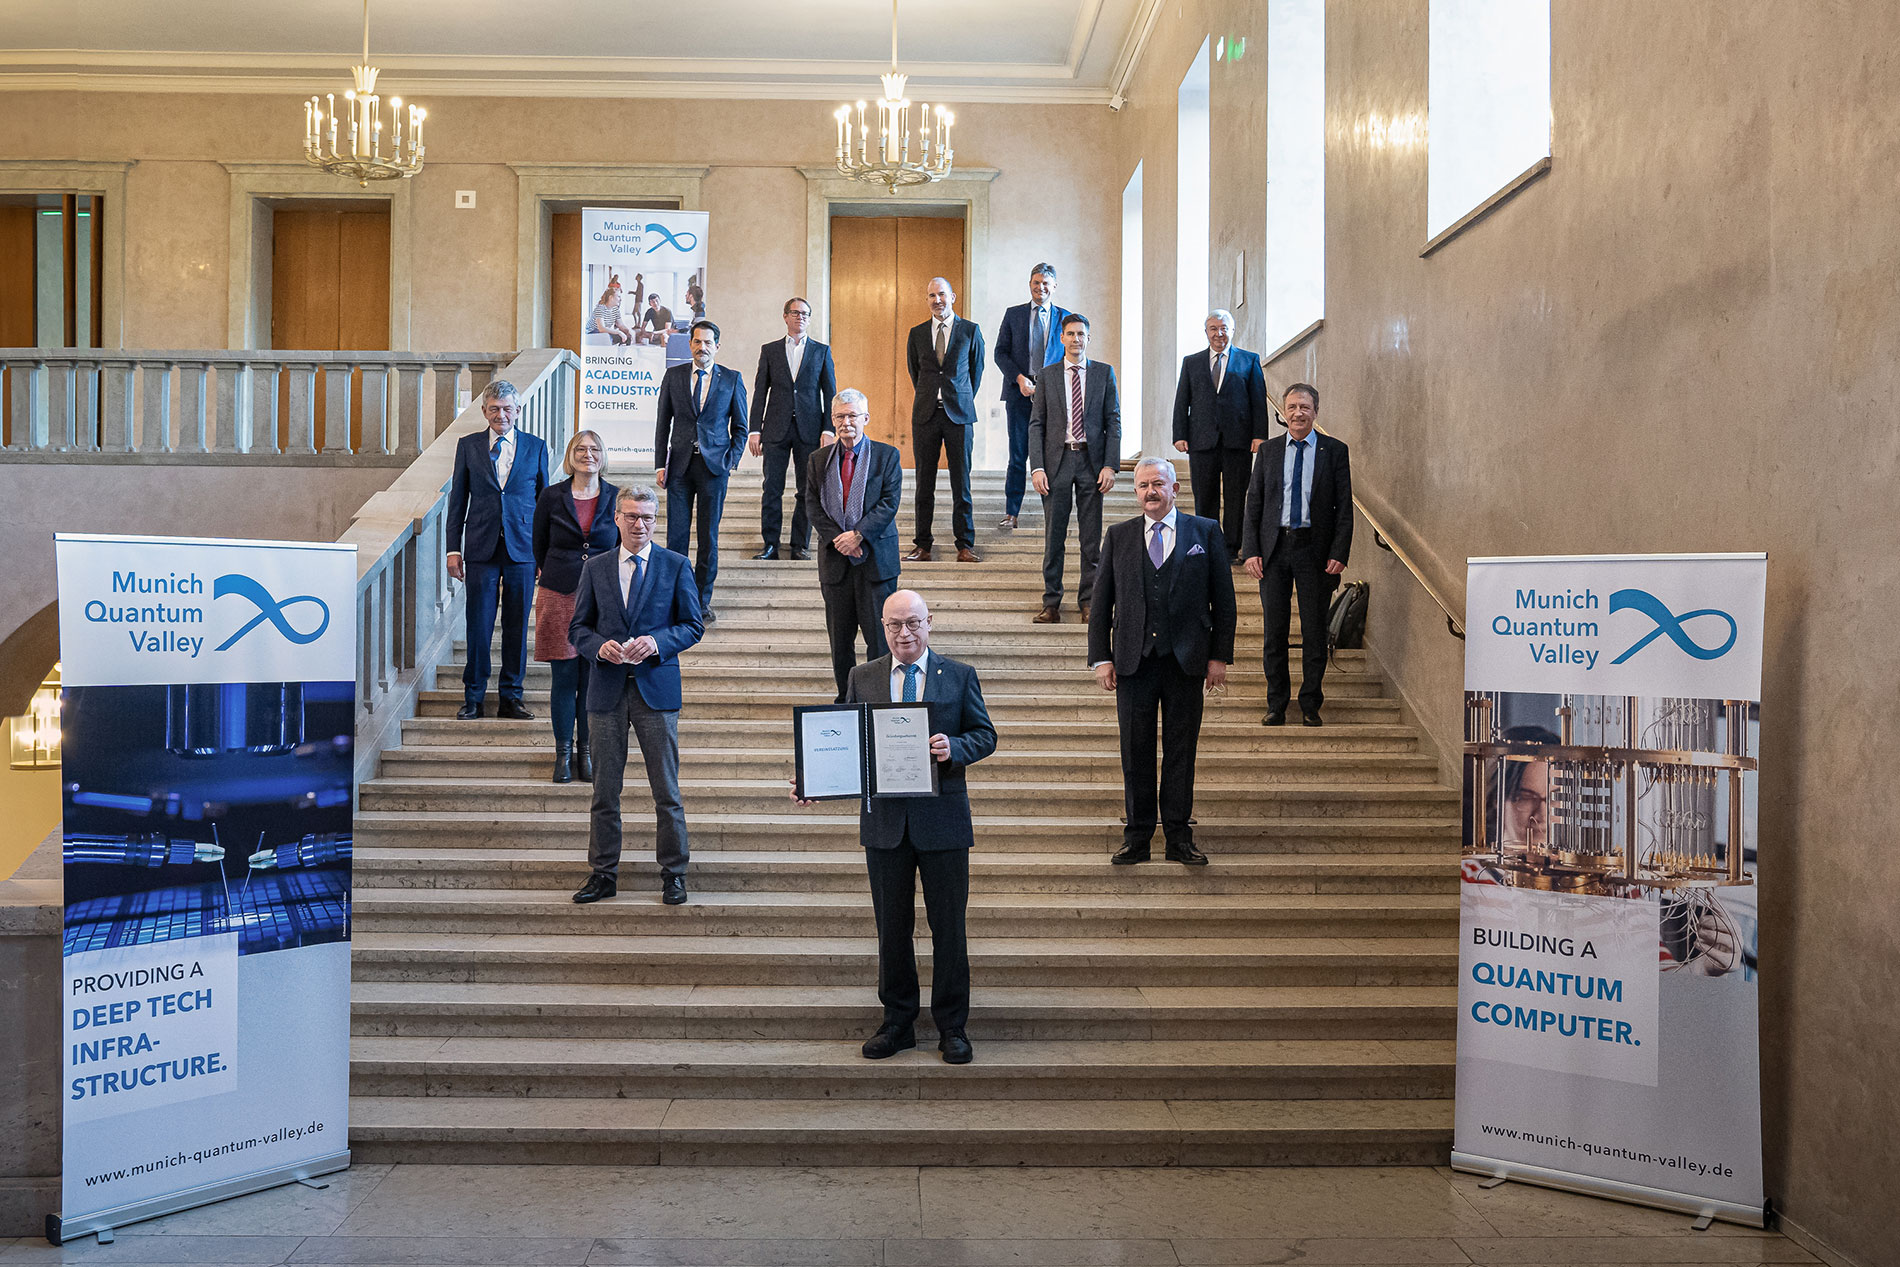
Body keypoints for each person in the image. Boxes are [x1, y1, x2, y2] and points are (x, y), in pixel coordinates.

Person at [793, 589, 996, 1064]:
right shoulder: (862, 677)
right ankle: (898, 1022)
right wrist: (811, 779)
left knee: (949, 929)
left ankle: (952, 1027)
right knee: (892, 928)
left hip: (943, 821)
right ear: (882, 628)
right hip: (885, 825)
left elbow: (985, 734)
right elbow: (841, 741)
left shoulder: (960, 675)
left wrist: (955, 749)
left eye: (912, 623)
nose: (903, 633)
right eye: (893, 625)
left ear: (930, 623)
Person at [1088, 457, 1236, 866]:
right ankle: (1136, 837)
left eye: (1157, 484)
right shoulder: (1118, 536)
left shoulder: (1204, 531)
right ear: (1135, 492)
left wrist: (1219, 655)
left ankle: (1178, 837)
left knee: (1180, 751)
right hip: (1133, 661)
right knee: (1134, 752)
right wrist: (1101, 657)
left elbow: (1224, 599)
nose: (1150, 492)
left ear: (1175, 489)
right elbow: (1102, 603)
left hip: (1186, 661)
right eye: (1142, 486)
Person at [567, 489, 705, 907]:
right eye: (631, 516)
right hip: (606, 691)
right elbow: (578, 629)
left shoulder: (676, 566)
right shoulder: (596, 567)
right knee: (604, 792)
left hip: (656, 690)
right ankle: (603, 873)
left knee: (667, 790)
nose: (639, 524)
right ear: (616, 518)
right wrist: (597, 647)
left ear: (657, 520)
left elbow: (693, 625)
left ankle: (674, 874)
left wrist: (657, 641)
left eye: (647, 517)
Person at [1241, 382, 1351, 727]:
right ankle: (1276, 703)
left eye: (1304, 407)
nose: (1298, 413)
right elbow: (1254, 503)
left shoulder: (1334, 450)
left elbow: (1344, 508)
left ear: (1315, 411)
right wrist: (1251, 550)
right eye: (1292, 407)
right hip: (1274, 550)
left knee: (1314, 631)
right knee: (1275, 631)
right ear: (1283, 412)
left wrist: (1339, 551)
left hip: (1315, 552)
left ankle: (1309, 703)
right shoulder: (1269, 451)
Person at [445, 380, 549, 721]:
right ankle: (473, 697)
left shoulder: (536, 447)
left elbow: (544, 502)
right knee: (479, 624)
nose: (500, 414)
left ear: (517, 411)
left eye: (507, 408)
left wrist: (543, 553)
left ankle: (511, 697)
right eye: (494, 408)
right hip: (480, 548)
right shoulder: (469, 446)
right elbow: (457, 501)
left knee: (517, 625)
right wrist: (452, 550)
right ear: (484, 411)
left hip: (523, 549)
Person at [532, 430, 619, 784]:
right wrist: (559, 569)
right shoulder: (552, 495)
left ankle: (587, 754)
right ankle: (563, 755)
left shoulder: (615, 496)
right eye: (581, 449)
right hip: (559, 592)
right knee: (564, 679)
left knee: (593, 679)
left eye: (595, 448)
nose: (588, 454)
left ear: (602, 455)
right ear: (571, 455)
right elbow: (539, 544)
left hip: (602, 597)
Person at [807, 390, 904, 702]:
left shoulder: (887, 456)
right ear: (833, 420)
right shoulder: (818, 459)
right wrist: (841, 540)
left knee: (879, 638)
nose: (846, 422)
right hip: (836, 565)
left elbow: (889, 503)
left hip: (876, 563)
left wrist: (858, 535)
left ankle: (878, 699)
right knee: (840, 642)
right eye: (840, 416)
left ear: (866, 419)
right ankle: (846, 699)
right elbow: (812, 506)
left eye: (852, 415)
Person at [654, 319, 749, 623]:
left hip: (713, 469)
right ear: (690, 344)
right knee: (676, 538)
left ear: (717, 346)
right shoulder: (674, 376)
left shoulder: (732, 379)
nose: (702, 347)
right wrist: (660, 463)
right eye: (697, 342)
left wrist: (730, 461)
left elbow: (741, 428)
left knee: (708, 538)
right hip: (679, 467)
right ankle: (675, 600)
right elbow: (662, 423)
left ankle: (701, 601)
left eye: (708, 342)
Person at [1027, 313, 1120, 624]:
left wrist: (1110, 464)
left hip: (1092, 464)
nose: (1076, 339)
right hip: (1057, 463)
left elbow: (1113, 422)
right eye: (1071, 333)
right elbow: (1036, 425)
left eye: (1082, 334)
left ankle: (1089, 602)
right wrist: (1037, 467)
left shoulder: (1104, 374)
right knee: (1054, 537)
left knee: (1091, 539)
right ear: (1062, 338)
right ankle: (1051, 602)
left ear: (1088, 338)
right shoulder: (1047, 375)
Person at [1171, 309, 1269, 555]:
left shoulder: (1249, 360)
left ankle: (1231, 547)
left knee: (1236, 497)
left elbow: (1258, 401)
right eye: (1213, 329)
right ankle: (1207, 544)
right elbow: (1182, 401)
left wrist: (1259, 435)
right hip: (1201, 441)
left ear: (1232, 331)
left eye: (1224, 328)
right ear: (1206, 332)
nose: (1219, 333)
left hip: (1239, 442)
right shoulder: (1191, 362)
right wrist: (1179, 434)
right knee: (1205, 496)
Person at [904, 276, 986, 564]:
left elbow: (976, 373)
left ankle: (964, 545)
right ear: (927, 299)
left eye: (941, 294)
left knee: (960, 483)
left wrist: (958, 396)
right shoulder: (916, 333)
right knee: (923, 483)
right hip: (925, 414)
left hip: (960, 415)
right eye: (931, 296)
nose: (937, 300)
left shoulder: (970, 331)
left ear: (953, 296)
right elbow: (915, 372)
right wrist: (933, 396)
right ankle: (922, 545)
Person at [748, 297, 838, 561]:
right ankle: (770, 545)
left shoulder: (821, 351)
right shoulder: (770, 350)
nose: (800, 317)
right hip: (775, 429)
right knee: (772, 488)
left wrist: (828, 428)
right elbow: (760, 392)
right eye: (796, 313)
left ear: (809, 319)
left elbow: (829, 392)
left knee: (806, 489)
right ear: (785, 316)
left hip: (809, 430)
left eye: (805, 314)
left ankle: (800, 545)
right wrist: (755, 429)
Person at [992, 263, 1070, 529]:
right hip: (1019, 394)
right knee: (1017, 455)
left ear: (1054, 286)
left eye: (1046, 283)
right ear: (1030, 284)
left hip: (1053, 397)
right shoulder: (1013, 315)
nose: (1041, 288)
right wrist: (1019, 378)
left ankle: (1052, 513)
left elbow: (1070, 357)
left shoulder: (1065, 318)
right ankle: (1011, 512)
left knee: (1052, 455)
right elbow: (1000, 352)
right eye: (1036, 282)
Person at [589, 276, 634, 345]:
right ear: (611, 298)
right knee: (611, 336)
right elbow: (601, 328)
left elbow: (620, 324)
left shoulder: (615, 309)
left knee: (627, 338)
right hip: (594, 333)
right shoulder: (600, 308)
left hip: (603, 333)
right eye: (618, 297)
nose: (620, 299)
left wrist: (628, 331)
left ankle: (620, 355)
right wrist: (619, 332)